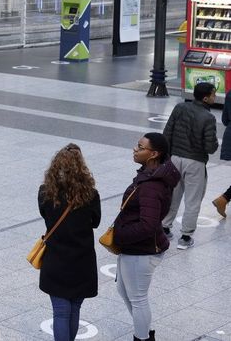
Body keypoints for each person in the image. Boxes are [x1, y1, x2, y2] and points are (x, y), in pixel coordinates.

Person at [112, 133, 179, 341]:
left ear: (154, 154)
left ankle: (141, 337)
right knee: (124, 291)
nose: (135, 149)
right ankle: (144, 331)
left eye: (140, 147)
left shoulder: (151, 185)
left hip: (141, 251)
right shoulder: (150, 175)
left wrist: (120, 235)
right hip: (134, 248)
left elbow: (148, 225)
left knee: (138, 298)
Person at [37, 144, 101, 341]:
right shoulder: (90, 194)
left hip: (55, 260)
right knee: (75, 308)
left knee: (61, 312)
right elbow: (96, 222)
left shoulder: (46, 192)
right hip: (82, 261)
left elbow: (45, 215)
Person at [161, 81, 218, 249]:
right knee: (193, 199)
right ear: (206, 98)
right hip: (195, 162)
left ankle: (165, 227)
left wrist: (167, 155)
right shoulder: (209, 118)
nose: (215, 96)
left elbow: (167, 132)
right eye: (214, 94)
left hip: (175, 158)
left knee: (172, 194)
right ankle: (185, 237)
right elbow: (210, 147)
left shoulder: (180, 108)